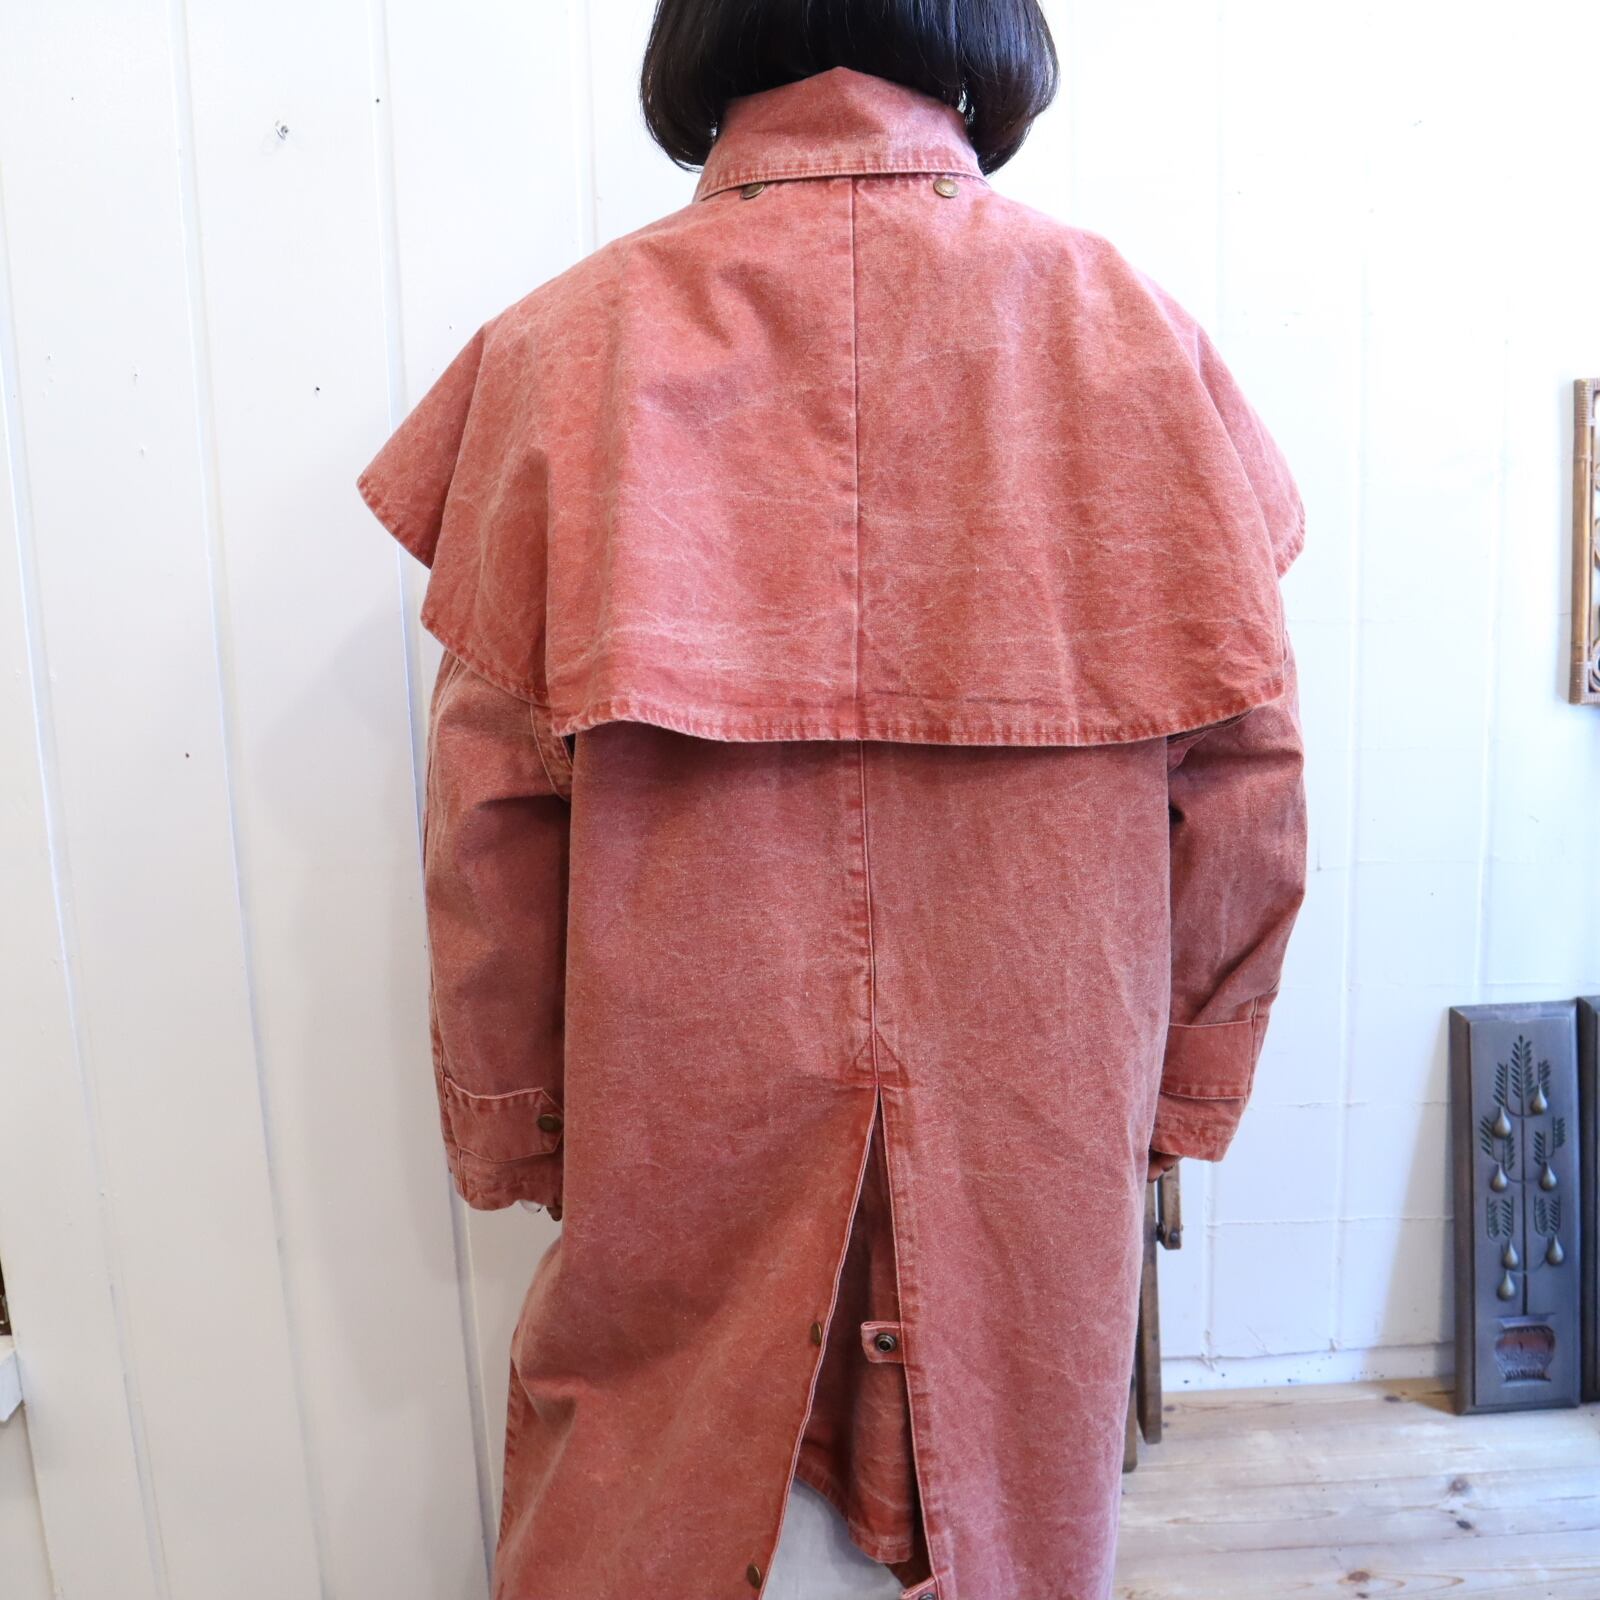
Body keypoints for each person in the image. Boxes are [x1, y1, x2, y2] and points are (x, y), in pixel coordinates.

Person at [355, 3, 1308, 1597]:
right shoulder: (1136, 336)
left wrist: (522, 1121)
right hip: (1043, 1101)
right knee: (1017, 1490)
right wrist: (1179, 1088)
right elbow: (1247, 779)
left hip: (676, 1114)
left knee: (640, 1500)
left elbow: (490, 808)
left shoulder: (559, 352)